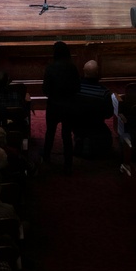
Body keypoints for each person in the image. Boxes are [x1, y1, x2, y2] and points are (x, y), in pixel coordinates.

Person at [42, 41, 80, 173]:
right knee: (66, 135)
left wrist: (53, 96)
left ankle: (46, 157)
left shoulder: (50, 68)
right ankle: (68, 164)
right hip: (69, 106)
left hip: (54, 105)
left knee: (50, 132)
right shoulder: (72, 68)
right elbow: (77, 88)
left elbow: (45, 89)